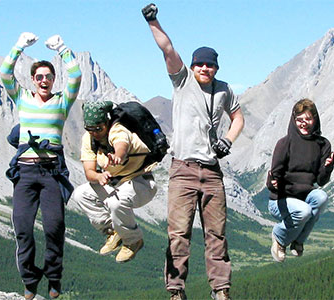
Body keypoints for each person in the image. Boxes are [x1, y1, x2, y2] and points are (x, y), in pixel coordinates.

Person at [142, 3, 245, 300]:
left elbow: (238, 118)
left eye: (209, 65)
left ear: (216, 68)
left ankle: (221, 290)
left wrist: (229, 139)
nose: (204, 68)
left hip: (212, 172)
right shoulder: (182, 79)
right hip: (183, 169)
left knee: (217, 235)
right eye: (199, 64)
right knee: (178, 235)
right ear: (193, 65)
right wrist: (153, 21)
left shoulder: (225, 90)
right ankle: (176, 291)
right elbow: (168, 49)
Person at [0, 31, 82, 299]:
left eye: (48, 76)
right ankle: (29, 279)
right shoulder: (21, 97)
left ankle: (54, 278)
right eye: (39, 77)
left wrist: (62, 48)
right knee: (22, 226)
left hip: (52, 172)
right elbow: (5, 73)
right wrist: (19, 46)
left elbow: (77, 76)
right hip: (25, 171)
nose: (44, 80)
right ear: (33, 80)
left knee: (54, 227)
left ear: (53, 79)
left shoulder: (61, 101)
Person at [72, 100, 158, 264]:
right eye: (90, 129)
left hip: (141, 182)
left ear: (106, 122)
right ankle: (113, 231)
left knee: (114, 202)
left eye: (99, 128)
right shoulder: (88, 139)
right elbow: (89, 171)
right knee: (80, 194)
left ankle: (133, 240)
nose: (95, 133)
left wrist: (118, 155)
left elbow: (122, 145)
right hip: (116, 183)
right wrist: (98, 177)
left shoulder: (118, 130)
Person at [267, 98, 334, 262]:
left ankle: (298, 241)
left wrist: (327, 168)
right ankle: (279, 237)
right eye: (300, 120)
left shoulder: (322, 144)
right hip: (281, 201)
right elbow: (272, 179)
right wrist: (273, 183)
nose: (304, 123)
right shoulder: (285, 143)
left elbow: (321, 181)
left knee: (322, 197)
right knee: (303, 210)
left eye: (308, 119)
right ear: (294, 120)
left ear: (315, 120)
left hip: (304, 198)